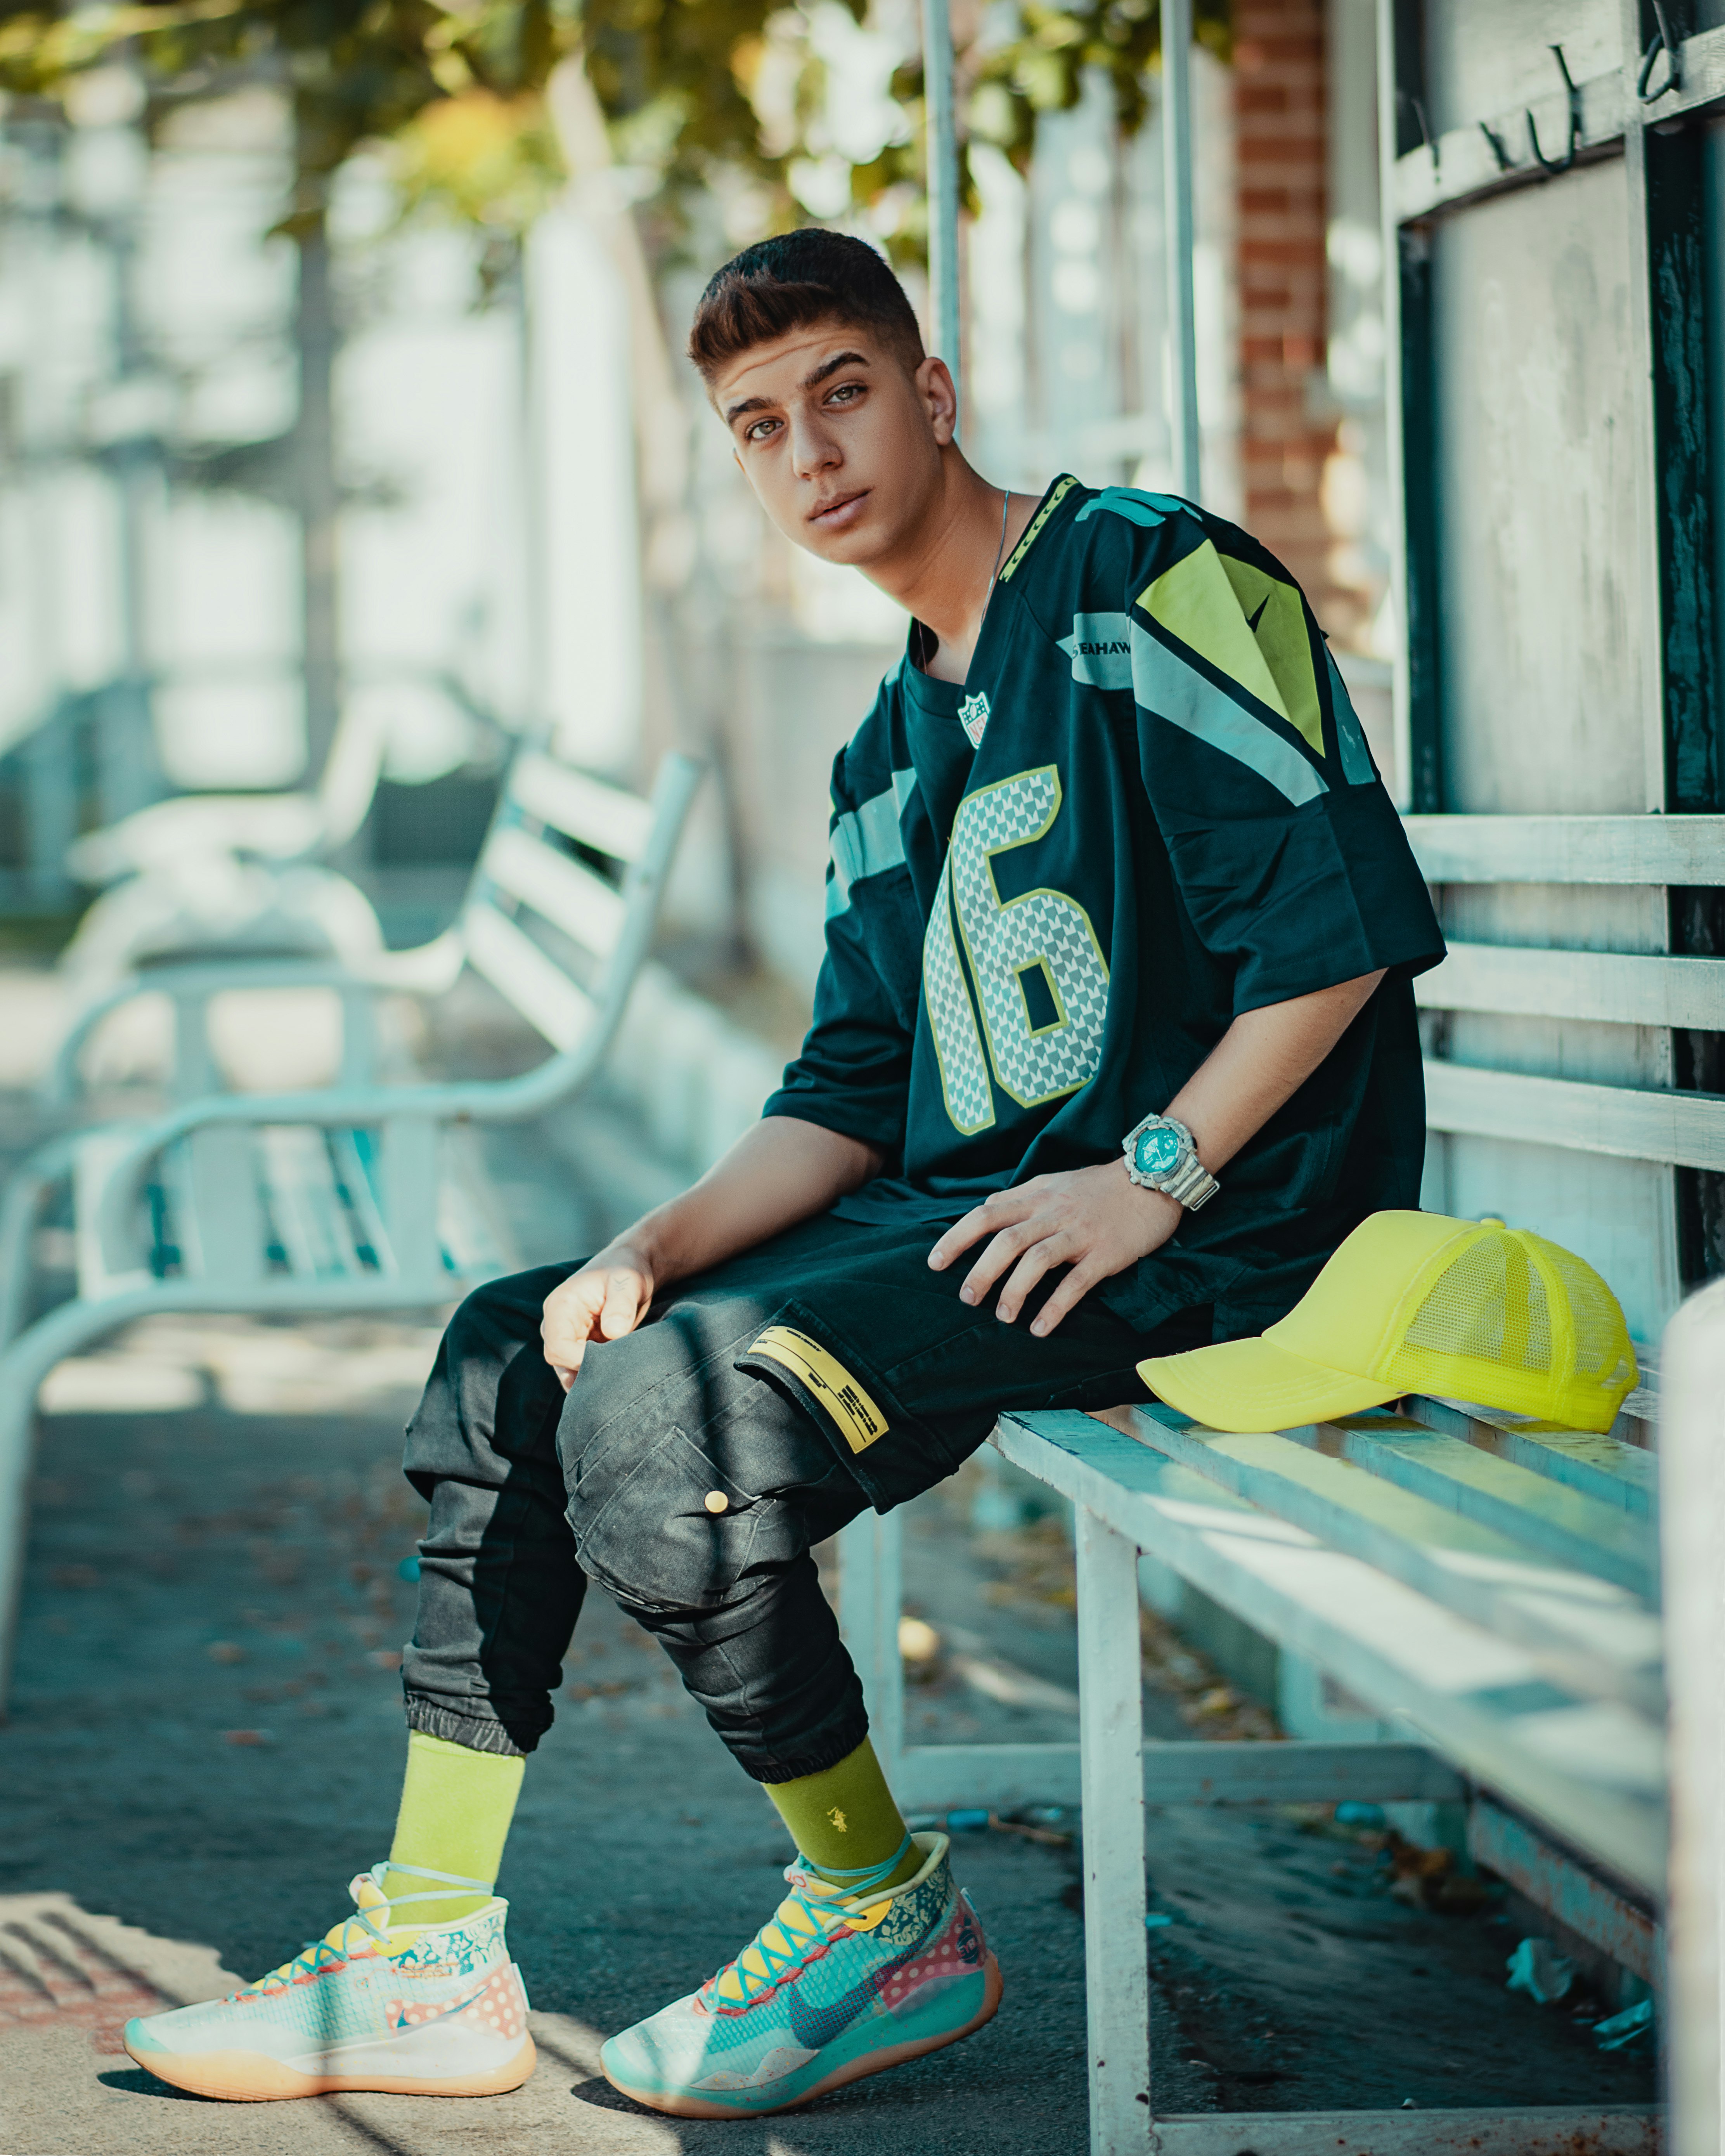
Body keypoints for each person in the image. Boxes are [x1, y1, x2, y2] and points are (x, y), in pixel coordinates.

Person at [124, 229, 1443, 2118]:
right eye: (757, 424)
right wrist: (643, 1248)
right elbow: (844, 1093)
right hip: (987, 1226)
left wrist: (1150, 1175)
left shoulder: (1149, 579)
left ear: (930, 394)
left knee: (679, 1431)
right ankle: (425, 1947)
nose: (807, 449)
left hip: (1218, 1228)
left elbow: (1332, 935)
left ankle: (874, 1912)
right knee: (528, 1351)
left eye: (838, 392)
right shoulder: (887, 745)